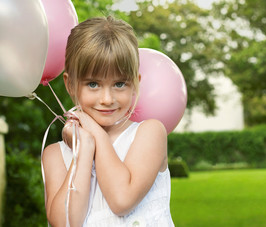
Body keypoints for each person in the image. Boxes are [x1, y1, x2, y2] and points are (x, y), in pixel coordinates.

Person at [42, 16, 174, 227]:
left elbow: (122, 200)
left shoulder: (150, 133)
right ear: (71, 85)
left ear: (135, 84)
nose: (107, 99)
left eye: (119, 84)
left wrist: (95, 132)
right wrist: (83, 149)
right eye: (93, 84)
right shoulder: (56, 155)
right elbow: (65, 222)